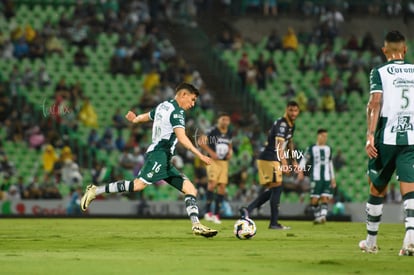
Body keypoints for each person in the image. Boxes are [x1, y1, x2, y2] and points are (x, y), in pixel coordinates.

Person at [80, 83, 218, 238]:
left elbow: (149, 115)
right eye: (192, 100)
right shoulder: (177, 112)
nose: (192, 104)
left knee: (190, 189)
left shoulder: (163, 106)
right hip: (159, 154)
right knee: (138, 185)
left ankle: (196, 225)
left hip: (165, 159)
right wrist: (200, 155)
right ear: (183, 95)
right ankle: (95, 190)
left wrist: (135, 119)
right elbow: (182, 137)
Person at [359, 30, 414, 256]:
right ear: (405, 49)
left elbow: (375, 102)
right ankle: (410, 239)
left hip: (387, 138)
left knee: (377, 186)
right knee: (410, 188)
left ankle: (371, 243)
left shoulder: (379, 71)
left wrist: (370, 135)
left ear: (384, 50)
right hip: (411, 137)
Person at [240, 101, 301, 229]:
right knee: (277, 188)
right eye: (291, 110)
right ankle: (273, 223)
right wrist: (284, 164)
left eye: (295, 111)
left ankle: (248, 210)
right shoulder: (282, 124)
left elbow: (289, 143)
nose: (293, 113)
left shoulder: (291, 125)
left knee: (274, 189)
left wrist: (294, 161)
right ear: (286, 110)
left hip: (270, 158)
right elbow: (279, 146)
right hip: (269, 157)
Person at [198, 112, 233, 224]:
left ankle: (216, 215)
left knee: (222, 187)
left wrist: (230, 152)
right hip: (213, 161)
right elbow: (201, 141)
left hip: (224, 162)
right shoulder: (212, 131)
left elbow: (230, 145)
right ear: (219, 120)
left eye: (227, 119)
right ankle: (208, 212)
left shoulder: (229, 132)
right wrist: (211, 152)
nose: (225, 122)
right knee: (212, 183)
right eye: (223, 119)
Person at [299, 129, 336, 224]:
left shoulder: (328, 148)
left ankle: (323, 217)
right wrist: (300, 171)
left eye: (326, 136)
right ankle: (318, 216)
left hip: (326, 177)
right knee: (314, 200)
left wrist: (333, 178)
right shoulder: (312, 148)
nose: (325, 138)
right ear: (318, 136)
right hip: (316, 177)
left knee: (325, 197)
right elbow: (304, 159)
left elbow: (330, 163)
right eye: (323, 136)